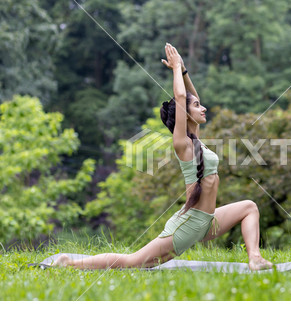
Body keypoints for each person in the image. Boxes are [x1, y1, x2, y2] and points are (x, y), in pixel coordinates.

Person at [54, 43, 273, 271]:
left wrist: (184, 71)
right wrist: (176, 68)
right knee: (135, 262)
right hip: (188, 225)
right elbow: (181, 97)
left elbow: (190, 96)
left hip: (208, 222)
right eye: (198, 106)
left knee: (249, 207)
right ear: (186, 114)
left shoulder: (195, 140)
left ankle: (255, 258)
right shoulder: (182, 144)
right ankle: (70, 264)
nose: (204, 107)